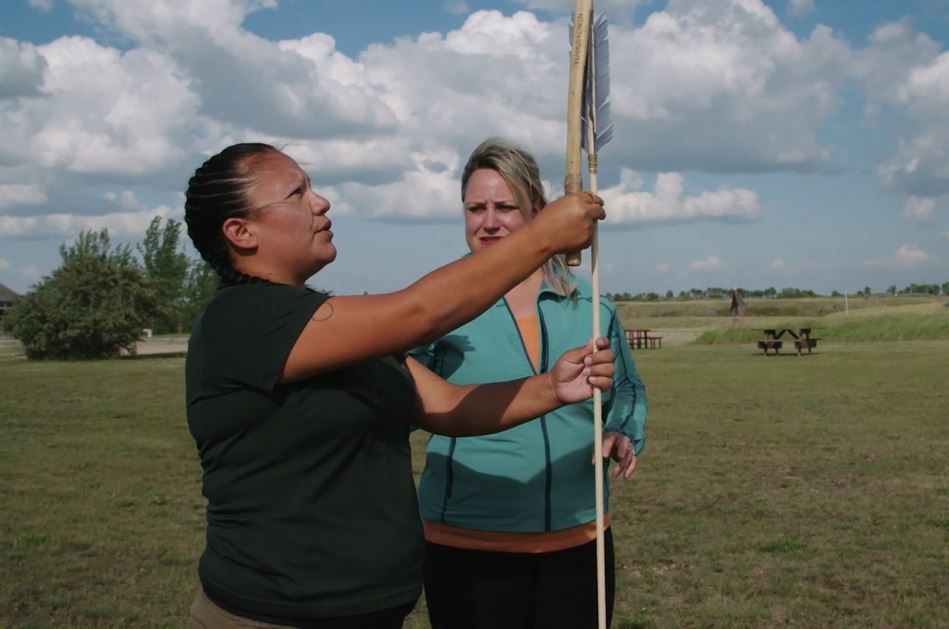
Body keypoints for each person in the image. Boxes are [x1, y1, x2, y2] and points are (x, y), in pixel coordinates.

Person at [182, 142, 611, 628]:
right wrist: (541, 237)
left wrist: (551, 388)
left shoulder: (329, 326)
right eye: (297, 193)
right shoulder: (241, 321)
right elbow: (420, 312)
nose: (320, 202)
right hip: (273, 616)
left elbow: (447, 405)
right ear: (241, 232)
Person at [410, 138, 648, 629]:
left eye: (505, 206)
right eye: (476, 208)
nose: (489, 221)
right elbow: (399, 390)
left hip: (579, 540)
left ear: (538, 212)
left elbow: (626, 389)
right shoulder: (438, 307)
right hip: (467, 543)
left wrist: (621, 429)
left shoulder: (593, 304)